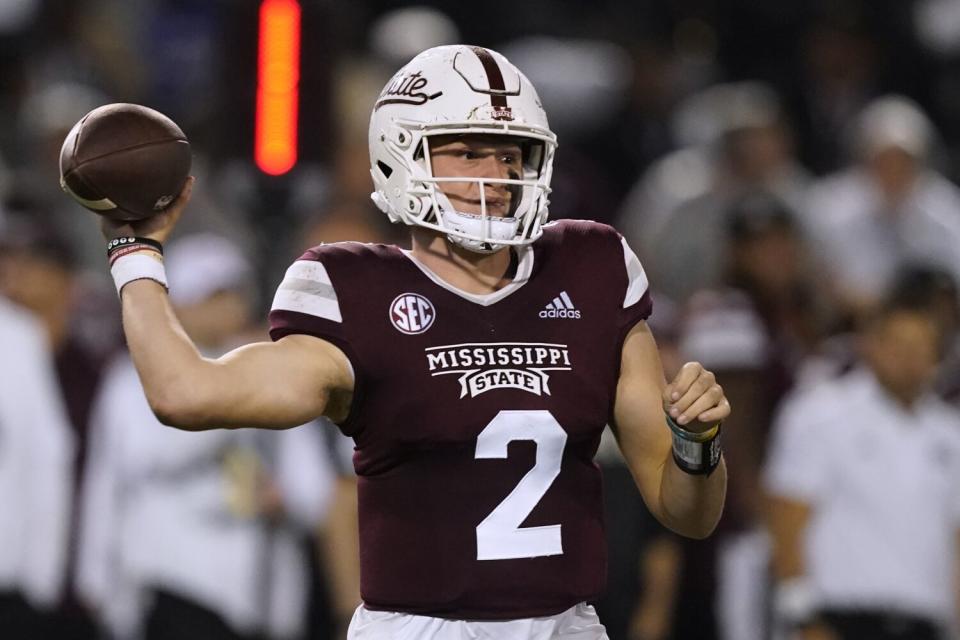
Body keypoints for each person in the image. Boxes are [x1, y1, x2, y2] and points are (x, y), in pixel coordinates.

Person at [83, 45, 730, 639]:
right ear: (403, 153)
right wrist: (133, 250)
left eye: (512, 153)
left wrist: (696, 448)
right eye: (469, 151)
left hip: (566, 626)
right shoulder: (356, 289)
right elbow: (185, 395)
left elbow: (688, 513)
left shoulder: (591, 268)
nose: (497, 173)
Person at [76, 234, 337, 640]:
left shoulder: (273, 371)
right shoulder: (130, 379)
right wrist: (94, 577)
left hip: (260, 596)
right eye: (210, 296)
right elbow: (131, 467)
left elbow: (315, 493)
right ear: (175, 305)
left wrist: (283, 497)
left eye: (231, 294)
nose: (224, 308)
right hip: (172, 581)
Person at [764, 270, 960, 640]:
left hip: (926, 624)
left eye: (921, 348)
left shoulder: (951, 435)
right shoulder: (818, 414)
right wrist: (802, 618)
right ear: (871, 344)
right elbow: (787, 520)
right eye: (898, 346)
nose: (909, 359)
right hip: (838, 621)